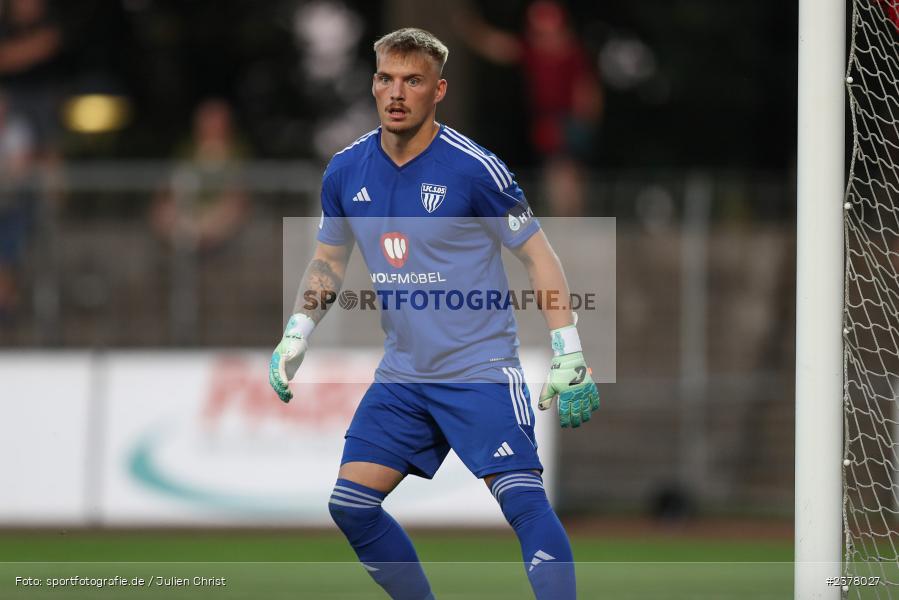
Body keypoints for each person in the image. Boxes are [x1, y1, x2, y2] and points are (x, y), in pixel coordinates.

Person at [268, 28, 599, 600]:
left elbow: (536, 254)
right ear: (373, 85)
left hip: (479, 370)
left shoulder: (475, 169)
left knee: (523, 503)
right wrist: (297, 331)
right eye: (385, 79)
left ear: (438, 89)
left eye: (413, 80)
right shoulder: (346, 171)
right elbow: (328, 259)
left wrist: (568, 347)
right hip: (404, 377)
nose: (396, 92)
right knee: (350, 504)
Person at [456, 0, 603, 217]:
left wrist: (585, 119)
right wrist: (472, 30)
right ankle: (568, 218)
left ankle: (570, 220)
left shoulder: (571, 53)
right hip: (551, 121)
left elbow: (587, 89)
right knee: (561, 171)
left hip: (565, 120)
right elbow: (498, 46)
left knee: (564, 172)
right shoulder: (535, 50)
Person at [150, 98, 250, 253]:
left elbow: (240, 191)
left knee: (228, 212)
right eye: (207, 121)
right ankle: (189, 238)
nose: (211, 126)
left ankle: (197, 239)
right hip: (187, 207)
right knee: (163, 212)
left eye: (215, 121)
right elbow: (169, 181)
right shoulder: (187, 149)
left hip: (218, 211)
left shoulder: (237, 151)